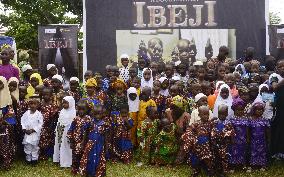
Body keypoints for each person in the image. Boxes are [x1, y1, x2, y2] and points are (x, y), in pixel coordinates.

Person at [177, 106, 214, 177]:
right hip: (197, 145)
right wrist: (190, 137)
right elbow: (189, 130)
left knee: (208, 160)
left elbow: (213, 133)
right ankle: (196, 171)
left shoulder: (210, 123)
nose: (206, 116)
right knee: (195, 160)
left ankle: (210, 172)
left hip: (206, 146)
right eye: (204, 114)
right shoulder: (197, 123)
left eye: (207, 114)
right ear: (199, 115)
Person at [79, 104, 108, 177]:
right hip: (90, 145)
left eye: (99, 114)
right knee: (89, 158)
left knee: (99, 159)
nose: (97, 116)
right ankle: (89, 172)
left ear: (102, 114)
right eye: (95, 114)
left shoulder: (104, 124)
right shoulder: (90, 122)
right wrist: (83, 143)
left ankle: (98, 173)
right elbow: (85, 133)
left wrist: (106, 148)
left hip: (99, 145)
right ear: (92, 113)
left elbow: (105, 137)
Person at [67, 100, 91, 174]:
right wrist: (71, 141)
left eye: (83, 109)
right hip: (76, 141)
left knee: (84, 155)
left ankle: (83, 169)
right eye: (79, 109)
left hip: (85, 141)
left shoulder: (88, 119)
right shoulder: (75, 119)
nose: (81, 111)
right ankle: (75, 169)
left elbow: (89, 130)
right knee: (75, 155)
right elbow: (71, 129)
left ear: (87, 109)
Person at [211, 104, 235, 175]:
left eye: (224, 114)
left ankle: (224, 171)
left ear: (227, 114)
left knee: (224, 157)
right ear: (218, 113)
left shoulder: (228, 123)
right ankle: (216, 169)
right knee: (216, 156)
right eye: (220, 114)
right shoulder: (215, 122)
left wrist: (229, 138)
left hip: (225, 144)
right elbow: (212, 131)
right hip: (216, 143)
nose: (222, 116)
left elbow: (232, 132)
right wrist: (213, 140)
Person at [53, 96, 75, 167]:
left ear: (71, 103)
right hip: (60, 130)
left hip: (67, 131)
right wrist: (57, 129)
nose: (64, 105)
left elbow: (72, 124)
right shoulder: (62, 111)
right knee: (59, 144)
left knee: (67, 146)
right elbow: (59, 120)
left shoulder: (73, 112)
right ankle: (58, 159)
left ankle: (67, 162)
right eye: (63, 103)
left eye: (66, 103)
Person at [0, 76, 17, 169]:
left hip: (4, 127)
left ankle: (6, 162)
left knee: (5, 145)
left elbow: (11, 113)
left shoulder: (8, 98)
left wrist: (3, 122)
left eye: (0, 83)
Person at [21, 98, 43, 165]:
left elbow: (40, 124)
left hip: (34, 133)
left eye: (34, 104)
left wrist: (33, 130)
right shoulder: (26, 113)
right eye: (31, 104)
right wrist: (24, 129)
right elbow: (22, 121)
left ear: (38, 105)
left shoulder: (39, 114)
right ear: (28, 105)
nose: (33, 105)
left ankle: (34, 159)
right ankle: (28, 159)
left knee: (34, 146)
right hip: (27, 133)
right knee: (27, 145)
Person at [249, 101, 270, 170]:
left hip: (262, 140)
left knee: (262, 152)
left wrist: (268, 139)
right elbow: (248, 130)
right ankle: (254, 165)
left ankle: (262, 165)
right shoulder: (251, 119)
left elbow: (267, 130)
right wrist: (248, 138)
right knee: (253, 152)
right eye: (257, 109)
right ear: (254, 110)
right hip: (253, 140)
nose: (259, 111)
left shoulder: (265, 120)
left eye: (261, 109)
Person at [38, 88, 58, 160]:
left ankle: (47, 154)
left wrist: (51, 126)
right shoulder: (40, 103)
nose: (45, 96)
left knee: (48, 140)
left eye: (47, 95)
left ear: (51, 95)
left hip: (48, 125)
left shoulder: (53, 105)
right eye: (44, 95)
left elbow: (54, 117)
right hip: (41, 125)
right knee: (41, 139)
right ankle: (41, 153)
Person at [229, 97, 249, 170]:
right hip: (235, 139)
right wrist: (232, 138)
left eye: (241, 110)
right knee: (234, 152)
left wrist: (247, 138)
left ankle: (243, 165)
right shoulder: (232, 119)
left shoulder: (245, 119)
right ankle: (233, 166)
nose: (240, 111)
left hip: (242, 138)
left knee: (243, 151)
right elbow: (231, 130)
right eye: (238, 110)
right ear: (234, 109)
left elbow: (247, 129)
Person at [271, 59, 284, 159]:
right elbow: (274, 87)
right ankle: (277, 152)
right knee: (279, 129)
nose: (282, 68)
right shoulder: (274, 77)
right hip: (278, 108)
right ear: (276, 68)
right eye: (280, 66)